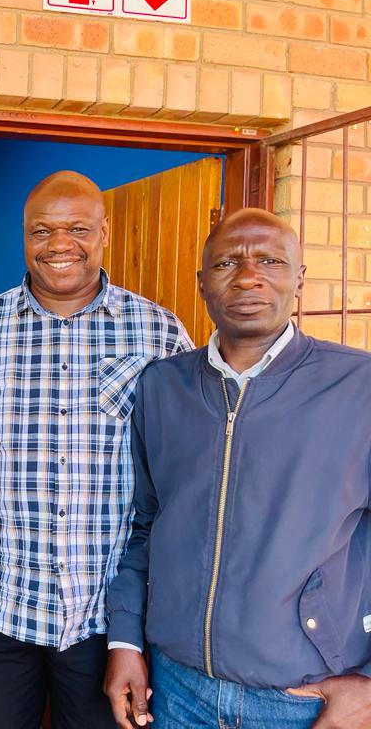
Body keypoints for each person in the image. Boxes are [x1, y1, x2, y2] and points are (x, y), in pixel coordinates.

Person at [0, 171, 192, 729]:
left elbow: (185, 462)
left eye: (77, 228)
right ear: (24, 236)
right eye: (42, 230)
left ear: (103, 233)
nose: (59, 244)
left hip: (109, 610)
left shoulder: (158, 332)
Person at [105, 208, 371, 729]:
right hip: (177, 689)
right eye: (227, 263)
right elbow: (145, 526)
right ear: (202, 283)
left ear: (299, 279)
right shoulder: (163, 387)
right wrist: (125, 640)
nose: (248, 276)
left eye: (270, 261)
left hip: (304, 699)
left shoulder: (358, 386)